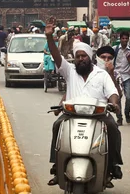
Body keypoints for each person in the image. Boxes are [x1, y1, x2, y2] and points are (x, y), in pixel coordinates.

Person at [44, 18, 122, 187]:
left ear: (90, 57)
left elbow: (113, 93)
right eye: (78, 56)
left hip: (99, 116)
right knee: (57, 125)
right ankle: (57, 167)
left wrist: (114, 104)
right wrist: (50, 38)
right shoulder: (69, 71)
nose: (80, 59)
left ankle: (112, 166)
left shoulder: (101, 74)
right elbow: (56, 56)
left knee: (114, 128)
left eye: (83, 56)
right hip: (71, 115)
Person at [112, 31, 130, 125]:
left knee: (129, 97)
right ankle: (119, 118)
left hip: (127, 76)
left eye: (126, 38)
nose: (125, 40)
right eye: (123, 38)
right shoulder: (115, 49)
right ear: (120, 39)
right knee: (118, 98)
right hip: (117, 76)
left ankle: (127, 113)